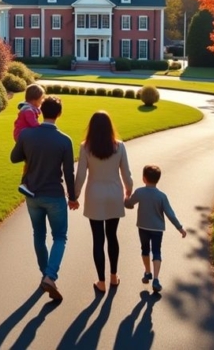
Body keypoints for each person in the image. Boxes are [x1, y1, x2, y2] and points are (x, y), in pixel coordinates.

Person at [10, 95, 79, 302]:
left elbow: (14, 158)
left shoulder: (28, 135)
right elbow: (68, 173)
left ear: (42, 111)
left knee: (38, 235)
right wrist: (73, 197)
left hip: (32, 195)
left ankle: (45, 274)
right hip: (54, 195)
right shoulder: (64, 140)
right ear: (58, 114)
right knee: (59, 237)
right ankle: (50, 276)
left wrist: (31, 152)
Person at [74, 110, 133, 292]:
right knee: (112, 236)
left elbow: (81, 175)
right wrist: (128, 190)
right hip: (114, 194)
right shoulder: (119, 146)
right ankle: (114, 276)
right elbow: (126, 174)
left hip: (94, 196)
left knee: (98, 239)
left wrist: (74, 196)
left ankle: (101, 282)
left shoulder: (85, 147)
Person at [124, 165, 186, 293]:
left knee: (145, 249)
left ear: (144, 178)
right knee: (157, 251)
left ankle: (147, 272)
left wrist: (125, 198)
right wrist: (179, 228)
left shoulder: (140, 192)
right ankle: (156, 279)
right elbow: (170, 214)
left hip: (143, 226)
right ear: (158, 179)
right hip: (157, 228)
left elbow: (129, 204)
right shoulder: (161, 196)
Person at [13, 84, 46, 198]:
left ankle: (27, 182)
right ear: (35, 99)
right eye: (41, 99)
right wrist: (45, 128)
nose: (42, 101)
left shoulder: (29, 108)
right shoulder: (28, 111)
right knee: (30, 160)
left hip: (24, 135)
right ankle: (25, 183)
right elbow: (34, 124)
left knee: (30, 160)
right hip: (23, 136)